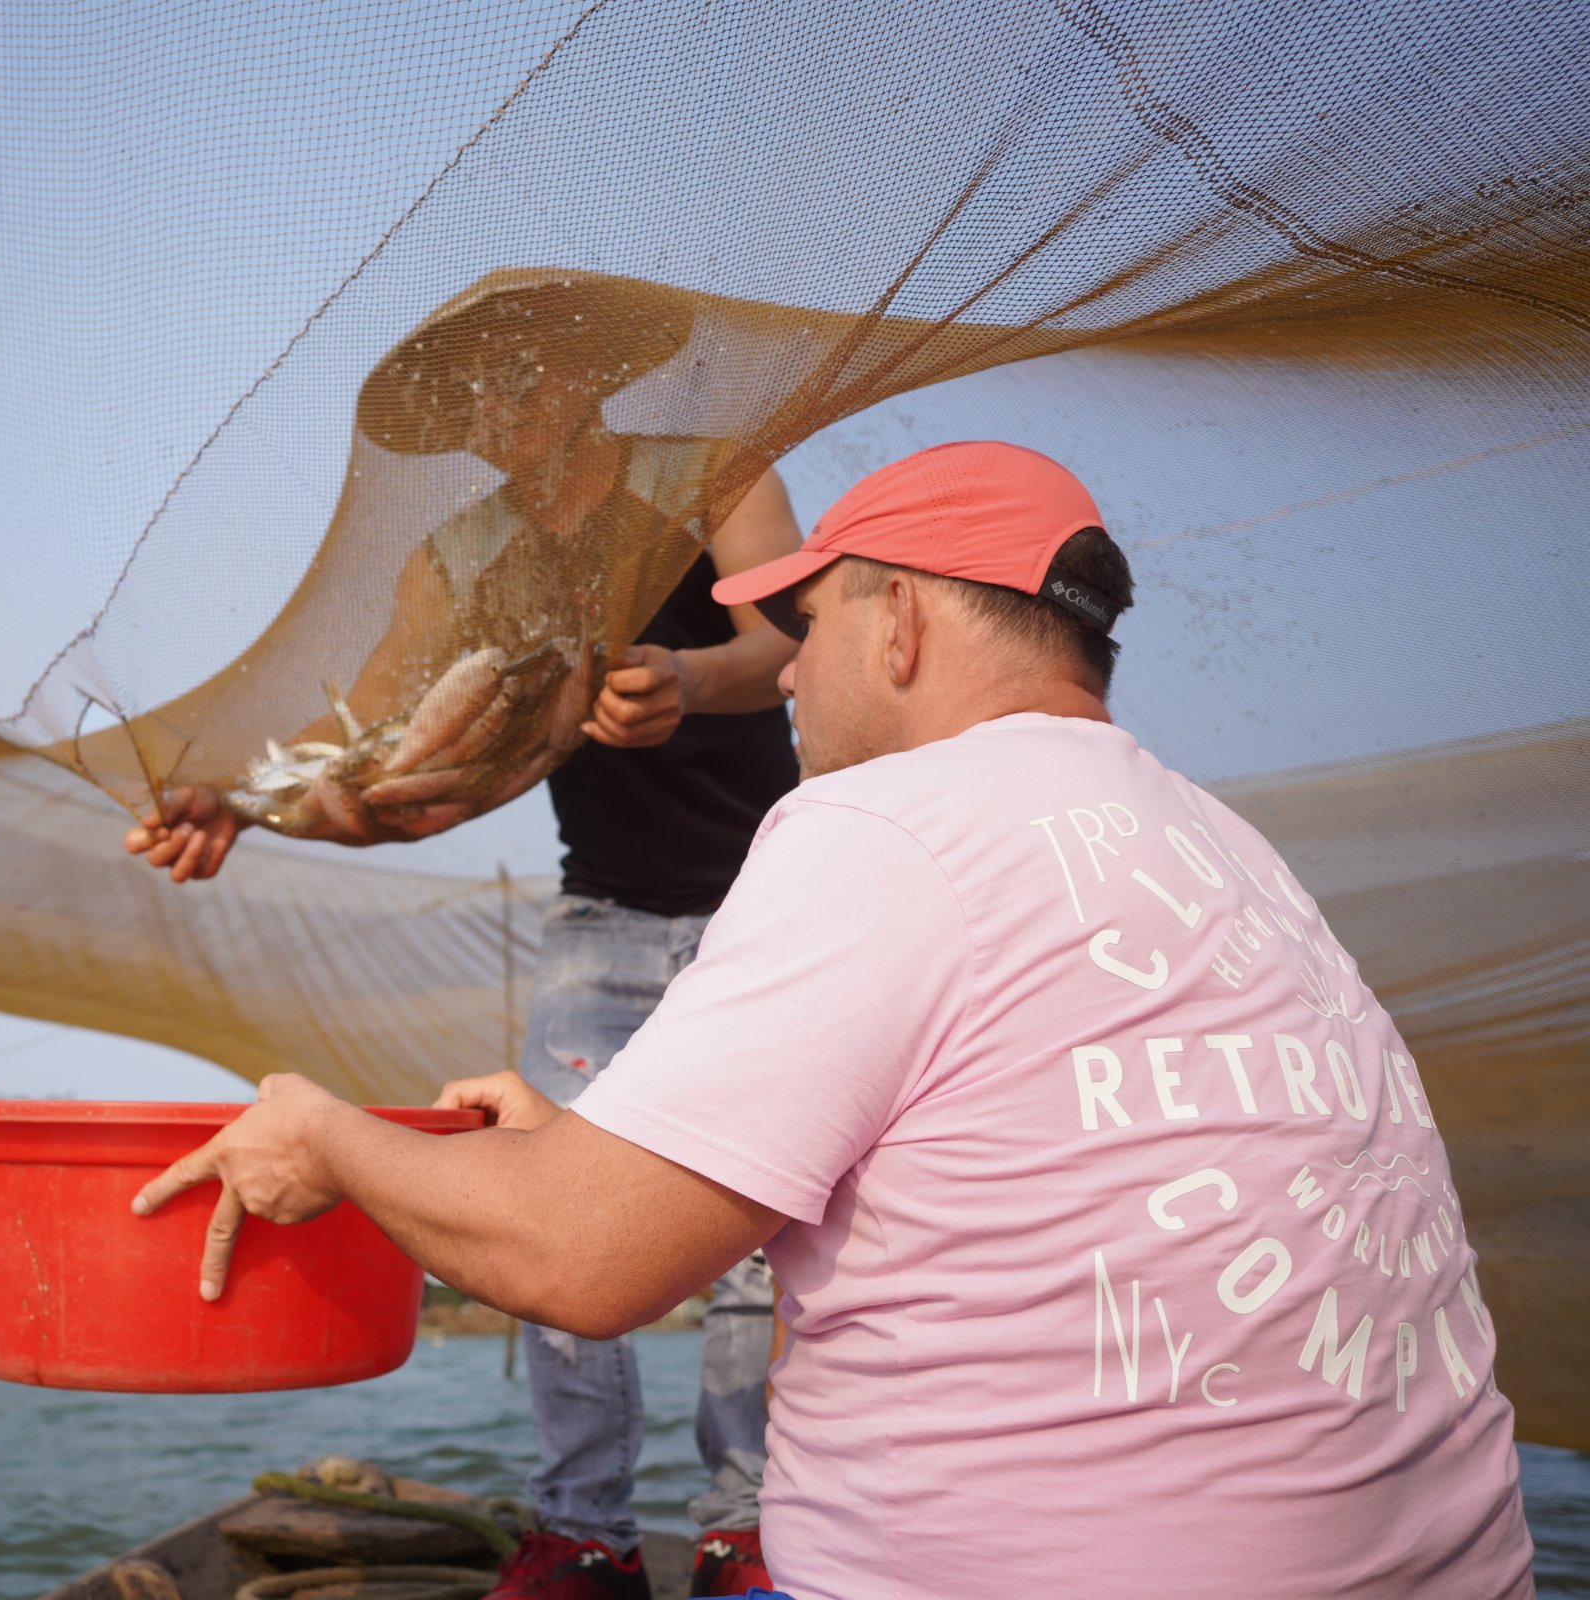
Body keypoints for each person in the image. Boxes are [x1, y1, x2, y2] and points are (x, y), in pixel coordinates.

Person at [130, 441, 1536, 1598]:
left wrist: (324, 1137)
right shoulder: (1227, 848)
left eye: (811, 630)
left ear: (903, 622)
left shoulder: (886, 822)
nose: (790, 675)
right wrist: (592, 1144)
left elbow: (579, 1259)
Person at [128, 462, 805, 1600]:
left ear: (596, 378)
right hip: (603, 915)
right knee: (546, 1197)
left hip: (761, 902)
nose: (507, 404)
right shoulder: (467, 556)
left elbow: (792, 641)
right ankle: (584, 1539)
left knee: (749, 1234)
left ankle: (745, 1531)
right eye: (479, 392)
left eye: (533, 378)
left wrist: (688, 676)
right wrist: (238, 799)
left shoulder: (718, 474)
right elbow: (379, 750)